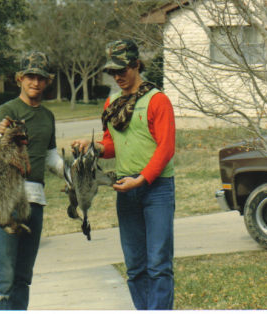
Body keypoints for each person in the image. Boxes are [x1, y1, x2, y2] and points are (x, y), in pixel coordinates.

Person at [72, 39, 176, 310]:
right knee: (135, 266)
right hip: (126, 189)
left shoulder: (157, 100)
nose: (117, 77)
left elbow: (166, 148)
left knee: (159, 265)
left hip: (156, 188)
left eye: (122, 70)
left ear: (136, 65)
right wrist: (91, 146)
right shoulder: (112, 102)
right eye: (112, 72)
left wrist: (142, 179)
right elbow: (110, 145)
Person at [0, 51, 63, 310]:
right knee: (3, 281)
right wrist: (1, 138)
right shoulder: (7, 110)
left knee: (22, 279)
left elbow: (51, 157)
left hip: (35, 203)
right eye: (30, 76)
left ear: (47, 81)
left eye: (41, 77)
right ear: (19, 78)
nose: (35, 82)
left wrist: (75, 175)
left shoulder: (48, 116)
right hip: (7, 202)